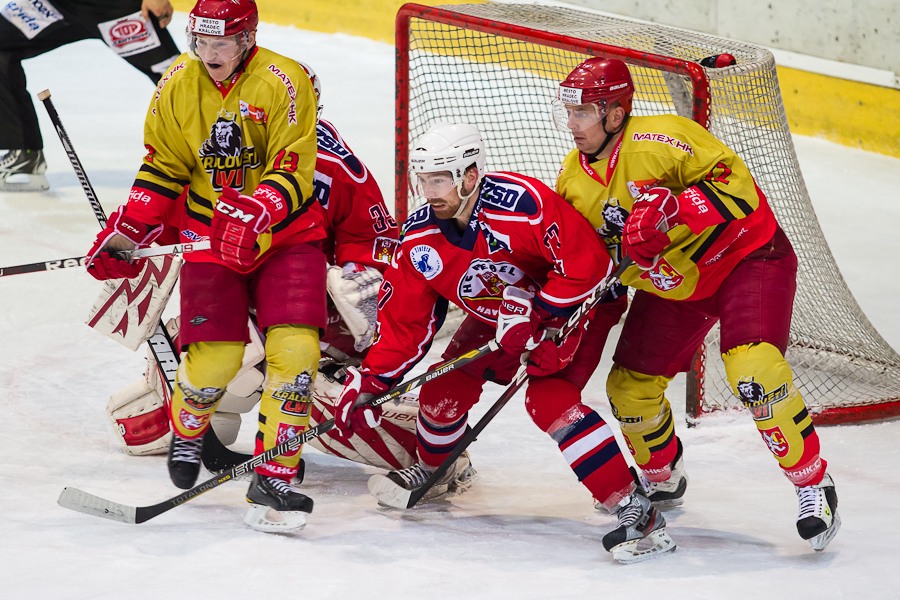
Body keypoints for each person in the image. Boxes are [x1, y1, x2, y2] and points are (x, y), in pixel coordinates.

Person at [334, 122, 676, 564]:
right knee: (441, 391)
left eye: (439, 180)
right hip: (499, 319)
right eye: (424, 181)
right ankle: (437, 471)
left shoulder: (522, 204)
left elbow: (587, 266)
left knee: (549, 401)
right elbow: (405, 324)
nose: (429, 192)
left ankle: (634, 509)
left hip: (575, 307)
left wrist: (542, 315)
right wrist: (373, 380)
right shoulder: (420, 239)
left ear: (470, 175)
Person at [552, 56, 840, 551]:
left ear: (616, 114)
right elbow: (592, 264)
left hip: (746, 259)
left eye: (583, 112)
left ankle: (814, 485)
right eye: (569, 112)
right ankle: (663, 475)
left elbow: (739, 188)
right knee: (628, 389)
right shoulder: (572, 182)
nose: (573, 124)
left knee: (754, 370)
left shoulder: (662, 138)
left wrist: (676, 209)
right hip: (675, 287)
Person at [83, 0, 325, 534]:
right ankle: (189, 425)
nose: (208, 53)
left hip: (287, 240)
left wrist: (257, 212)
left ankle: (274, 477)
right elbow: (163, 166)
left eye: (221, 43)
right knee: (215, 360)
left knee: (296, 353)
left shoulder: (285, 81)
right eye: (201, 42)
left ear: (247, 39)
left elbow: (294, 167)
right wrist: (129, 231)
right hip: (209, 239)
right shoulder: (176, 82)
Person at [106, 61, 416, 474]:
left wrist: (354, 277)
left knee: (310, 382)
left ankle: (419, 450)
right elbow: (170, 219)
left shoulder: (335, 166)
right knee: (149, 412)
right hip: (238, 295)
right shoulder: (220, 152)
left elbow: (373, 239)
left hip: (311, 313)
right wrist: (130, 238)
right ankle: (210, 423)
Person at [0, 0, 180, 191]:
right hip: (55, 6)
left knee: (177, 78)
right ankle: (24, 152)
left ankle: (202, 155)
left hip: (114, 8)